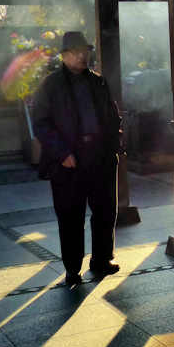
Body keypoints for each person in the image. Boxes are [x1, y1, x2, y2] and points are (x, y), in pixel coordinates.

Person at [33, 31, 122, 288]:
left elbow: (113, 116)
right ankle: (73, 269)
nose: (83, 56)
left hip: (100, 157)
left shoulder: (98, 82)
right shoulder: (50, 85)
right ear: (65, 56)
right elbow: (41, 124)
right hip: (68, 162)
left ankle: (102, 259)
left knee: (105, 211)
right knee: (71, 217)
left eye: (86, 51)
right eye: (77, 52)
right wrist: (62, 153)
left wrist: (114, 145)